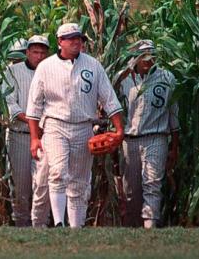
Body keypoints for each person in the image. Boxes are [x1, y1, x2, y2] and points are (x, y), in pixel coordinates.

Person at [26, 23, 125, 228]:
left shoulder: (93, 65)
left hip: (83, 126)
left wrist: (119, 129)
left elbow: (109, 99)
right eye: (70, 38)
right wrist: (35, 138)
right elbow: (34, 106)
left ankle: (76, 228)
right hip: (55, 124)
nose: (76, 41)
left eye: (78, 38)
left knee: (80, 182)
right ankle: (60, 222)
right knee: (58, 172)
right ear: (60, 42)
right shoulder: (46, 67)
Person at [116, 40, 179, 229]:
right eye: (142, 55)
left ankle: (149, 227)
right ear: (133, 57)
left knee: (152, 183)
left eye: (151, 54)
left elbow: (173, 112)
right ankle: (133, 227)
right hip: (129, 140)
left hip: (156, 137)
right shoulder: (123, 79)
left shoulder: (166, 77)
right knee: (131, 189)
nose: (147, 59)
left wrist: (175, 145)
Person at [2, 35, 50, 226]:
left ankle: (42, 224)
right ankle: (21, 224)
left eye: (42, 53)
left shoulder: (51, 71)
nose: (38, 56)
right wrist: (33, 122)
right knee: (20, 185)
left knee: (43, 182)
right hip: (19, 136)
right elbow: (10, 103)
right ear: (27, 52)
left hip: (46, 136)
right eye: (35, 52)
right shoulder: (12, 72)